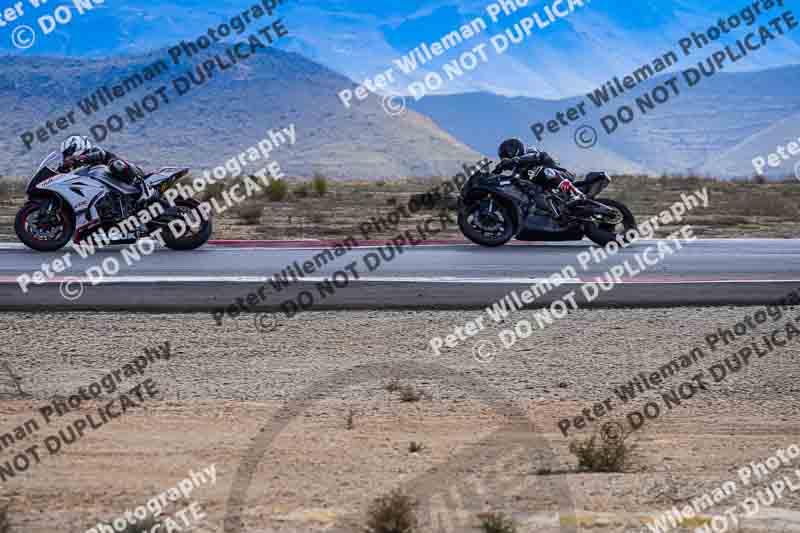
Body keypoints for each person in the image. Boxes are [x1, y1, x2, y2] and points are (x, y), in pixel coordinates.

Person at [58, 135, 153, 202]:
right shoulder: (76, 168)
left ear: (78, 145)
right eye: (65, 154)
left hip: (129, 175)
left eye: (68, 152)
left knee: (116, 165)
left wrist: (78, 158)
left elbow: (101, 155)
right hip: (109, 192)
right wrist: (61, 170)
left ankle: (142, 187)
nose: (67, 156)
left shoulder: (93, 151)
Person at [495, 138, 579, 197]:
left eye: (507, 153)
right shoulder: (518, 172)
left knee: (543, 171)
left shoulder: (530, 151)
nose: (506, 157)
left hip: (562, 175)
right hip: (547, 192)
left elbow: (535, 156)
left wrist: (514, 160)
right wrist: (496, 171)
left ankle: (574, 193)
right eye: (504, 156)